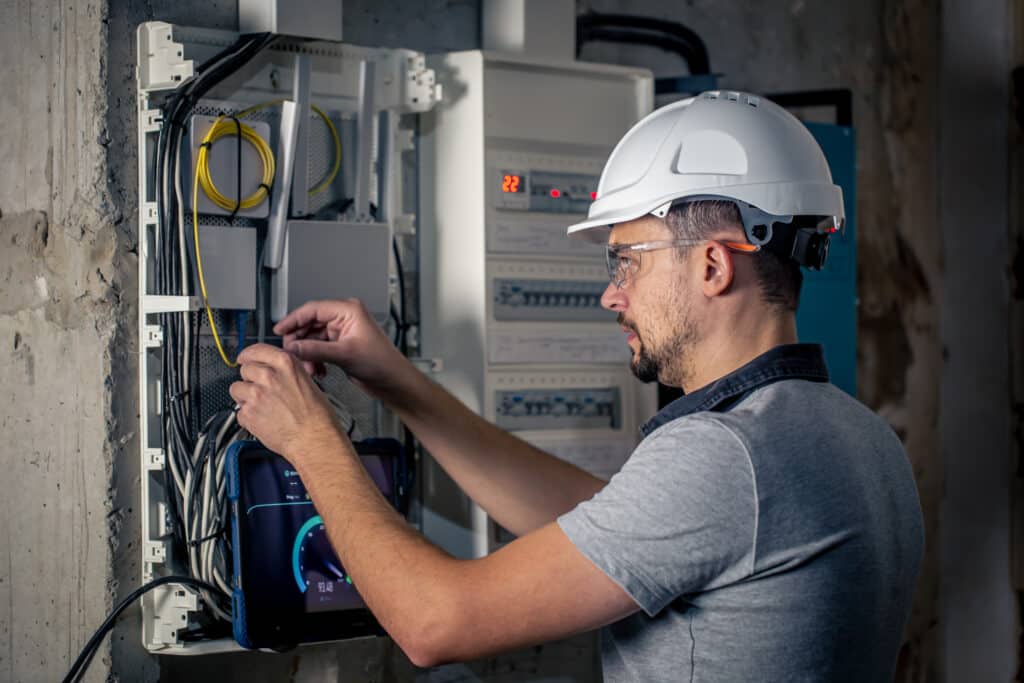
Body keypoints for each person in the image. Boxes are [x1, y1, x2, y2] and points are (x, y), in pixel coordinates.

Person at [230, 91, 924, 681]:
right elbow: (607, 519)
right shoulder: (854, 435)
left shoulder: (723, 459)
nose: (611, 294)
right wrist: (399, 384)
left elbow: (433, 621)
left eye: (627, 261)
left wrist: (309, 437)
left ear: (713, 265)